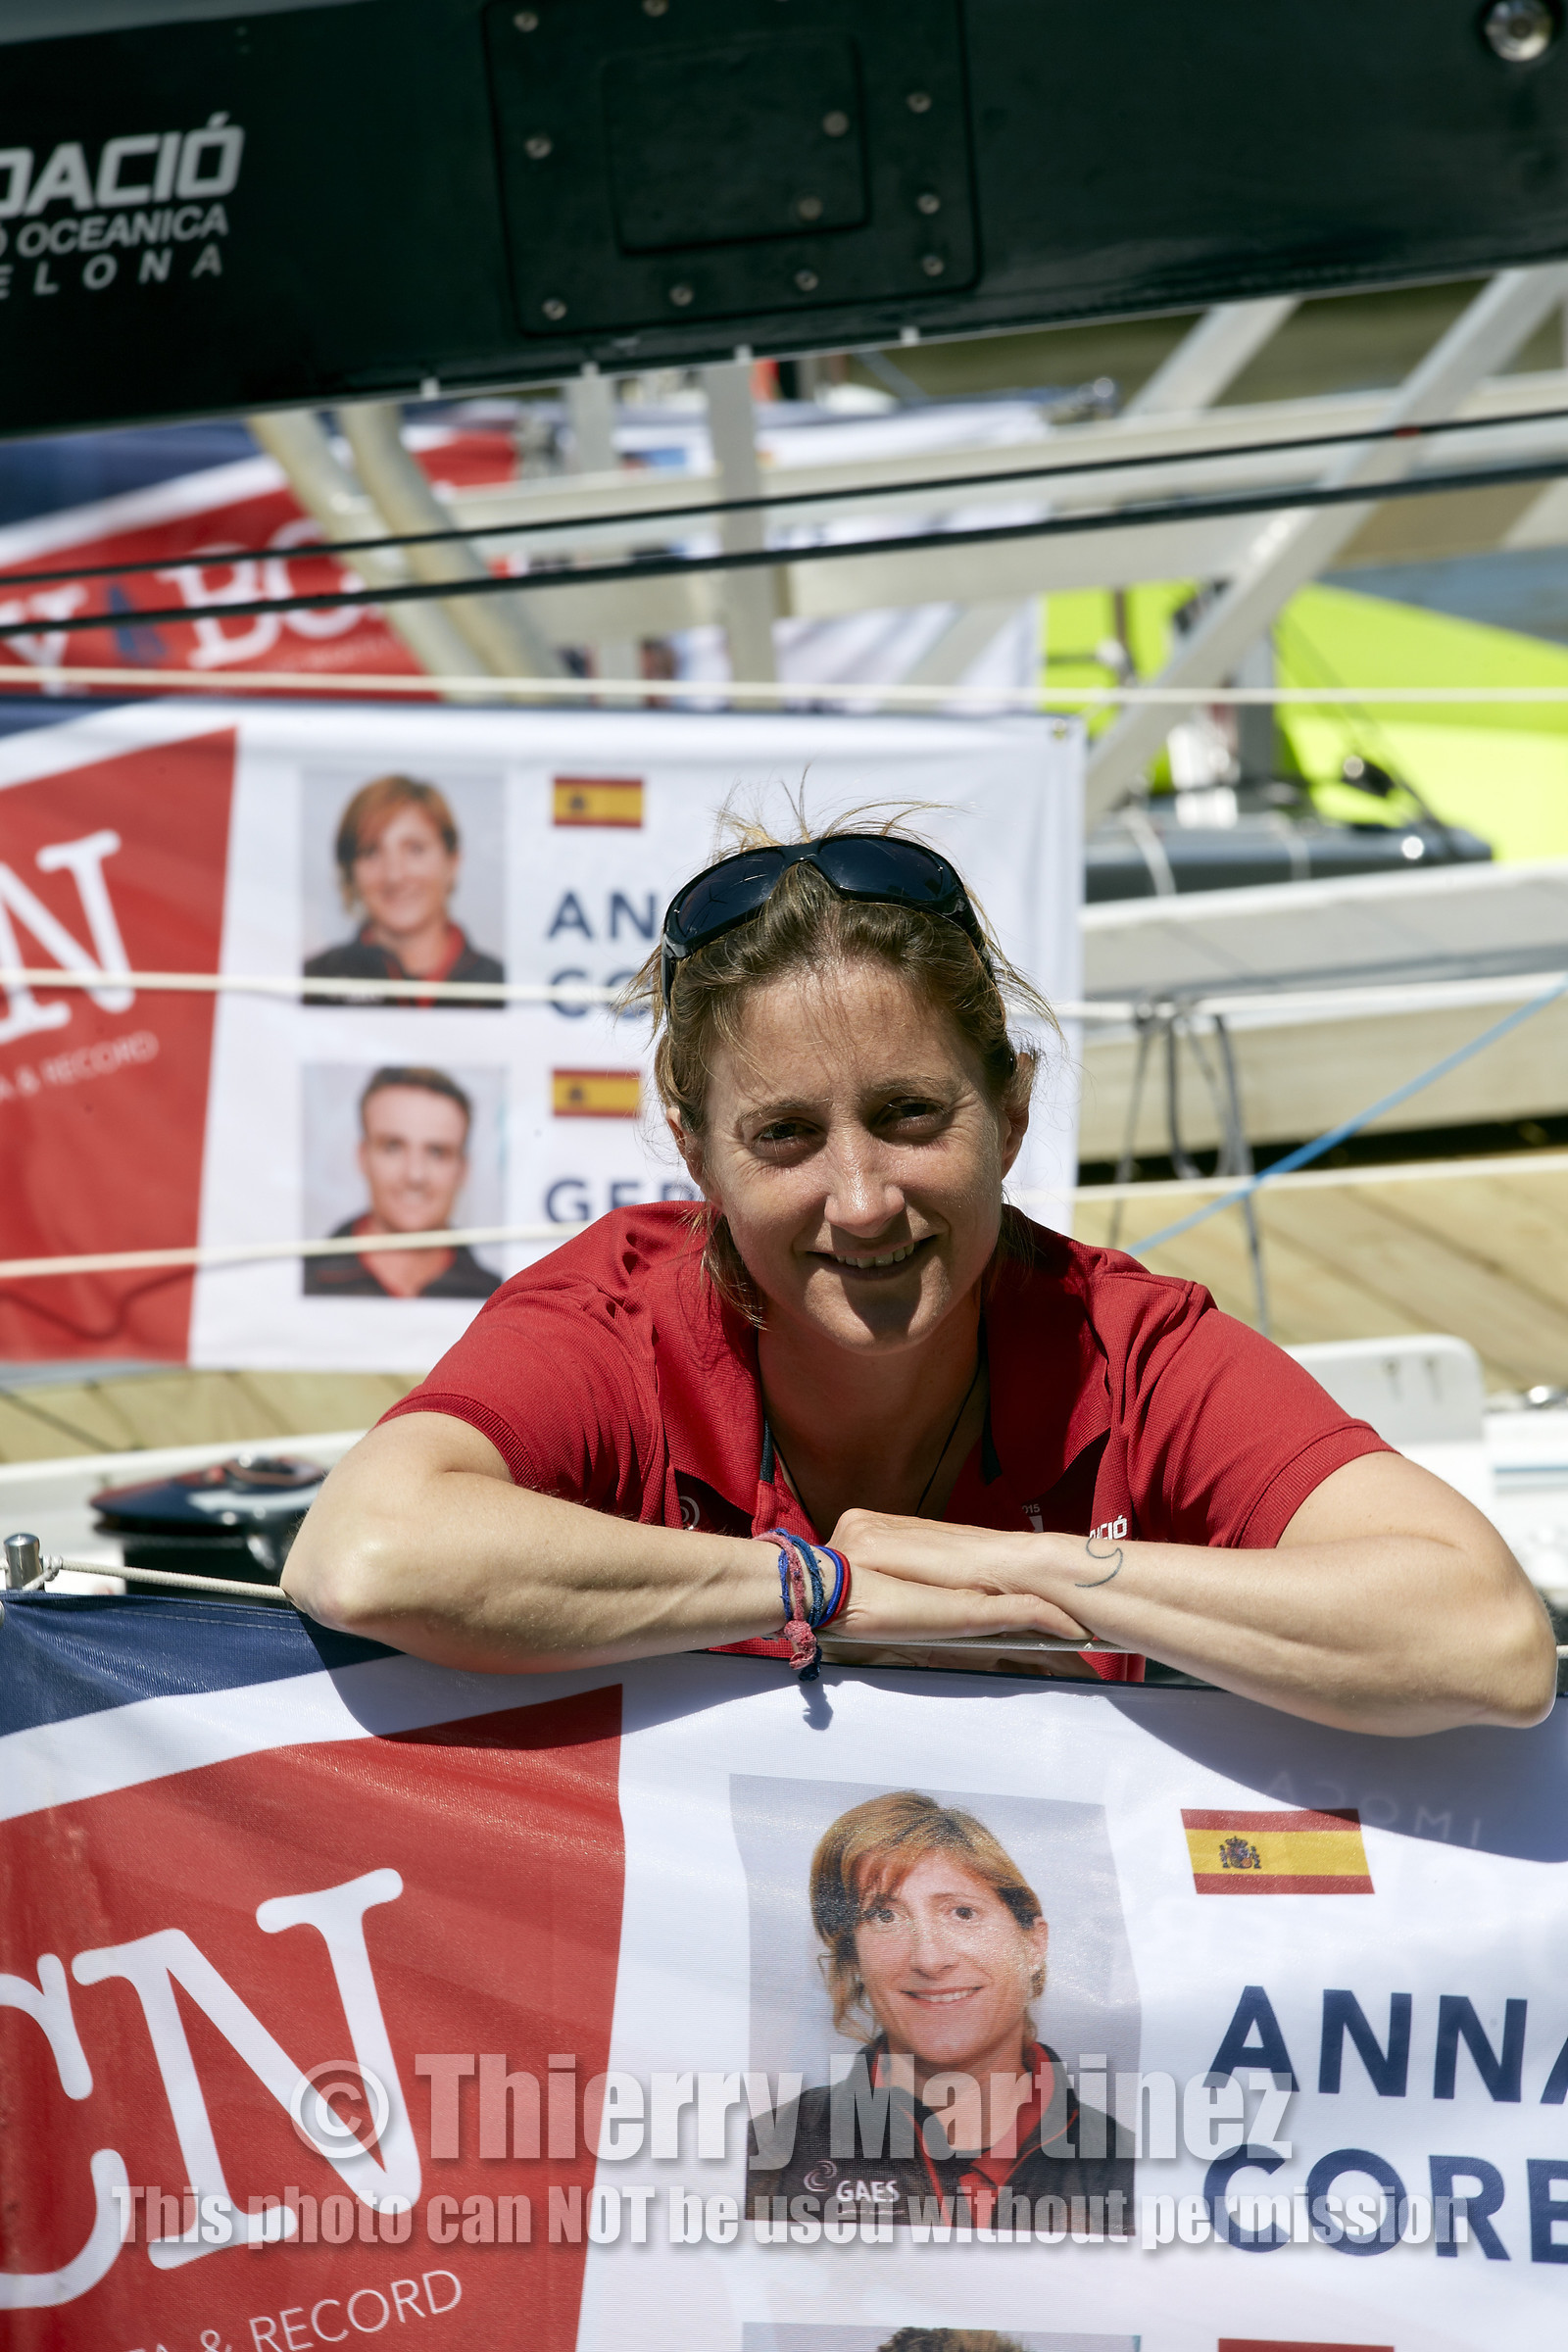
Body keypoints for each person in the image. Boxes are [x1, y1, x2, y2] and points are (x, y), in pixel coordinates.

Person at [284, 821, 1555, 1735]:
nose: (861, 1200)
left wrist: (1015, 1575)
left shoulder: (1122, 1344)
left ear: (1012, 1109)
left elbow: (1489, 1641)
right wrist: (825, 1587)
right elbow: (366, 1553)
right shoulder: (619, 1321)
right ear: (697, 1153)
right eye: (785, 1135)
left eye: (909, 1115)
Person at [745, 1792, 1133, 2236]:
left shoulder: (1133, 2167)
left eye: (962, 1913)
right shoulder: (766, 2154)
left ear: (1031, 1944)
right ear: (854, 1958)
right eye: (884, 1916)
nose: (929, 1959)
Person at [304, 1065, 501, 1300]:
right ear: (362, 1157)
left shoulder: (496, 1297)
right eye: (393, 1147)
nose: (415, 1175)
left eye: (437, 1152)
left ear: (463, 1169)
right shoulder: (300, 1282)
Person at [304, 774, 504, 1004]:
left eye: (415, 849)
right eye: (371, 852)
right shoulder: (312, 985)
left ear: (452, 862)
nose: (394, 875)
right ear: (351, 872)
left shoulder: (505, 988)